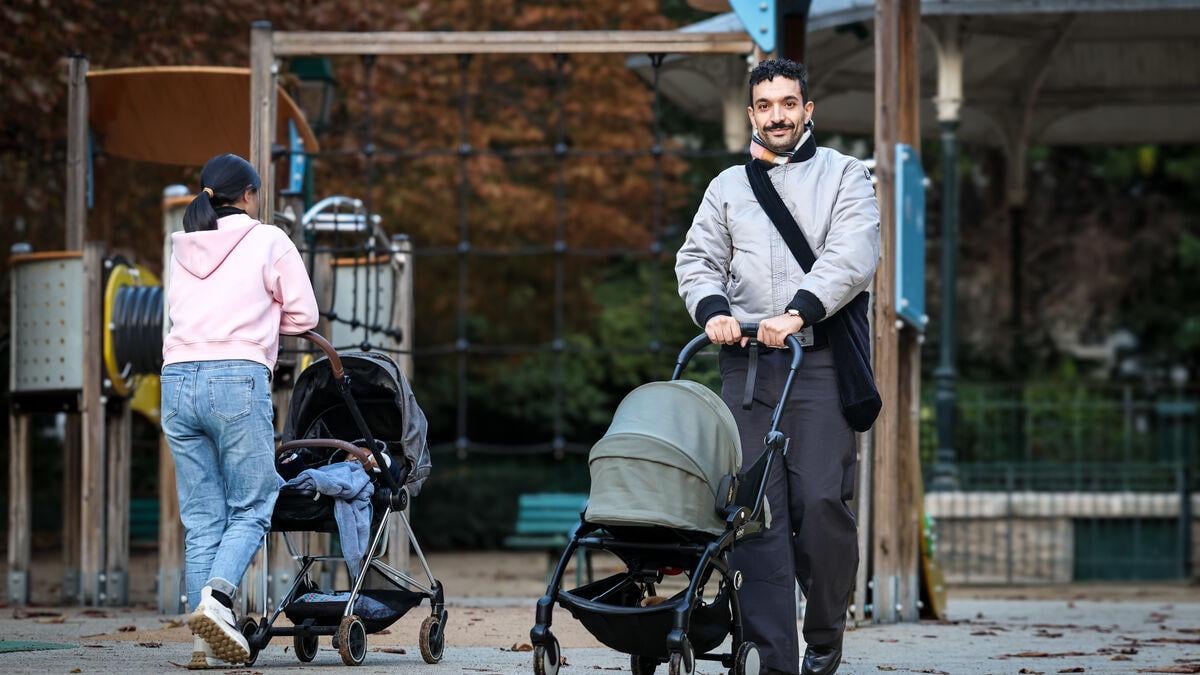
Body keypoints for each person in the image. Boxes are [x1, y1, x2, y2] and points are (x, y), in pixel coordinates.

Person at [675, 59, 881, 675]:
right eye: (765, 105)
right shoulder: (727, 188)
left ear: (807, 110)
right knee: (756, 516)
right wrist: (712, 310)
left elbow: (853, 254)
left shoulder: (847, 176)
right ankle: (776, 660)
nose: (778, 115)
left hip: (815, 362)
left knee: (822, 505)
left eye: (788, 103)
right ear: (752, 114)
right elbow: (697, 258)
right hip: (747, 367)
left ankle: (823, 634)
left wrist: (797, 312)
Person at [161, 153, 319, 667]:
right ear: (249, 195)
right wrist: (265, 312)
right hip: (236, 377)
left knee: (202, 517)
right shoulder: (268, 239)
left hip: (177, 379)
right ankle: (218, 599)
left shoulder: (180, 245)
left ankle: (203, 644)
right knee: (256, 502)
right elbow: (304, 313)